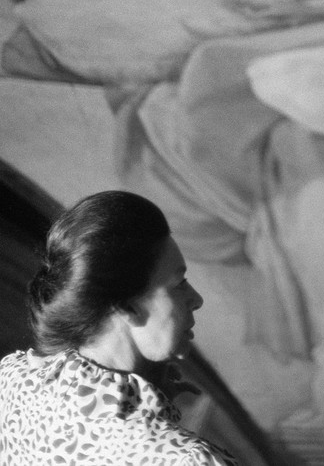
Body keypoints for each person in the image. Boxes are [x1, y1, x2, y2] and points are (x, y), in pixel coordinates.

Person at [0, 189, 239, 465]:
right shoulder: (191, 460)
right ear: (125, 306)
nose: (196, 299)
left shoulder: (11, 380)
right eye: (179, 283)